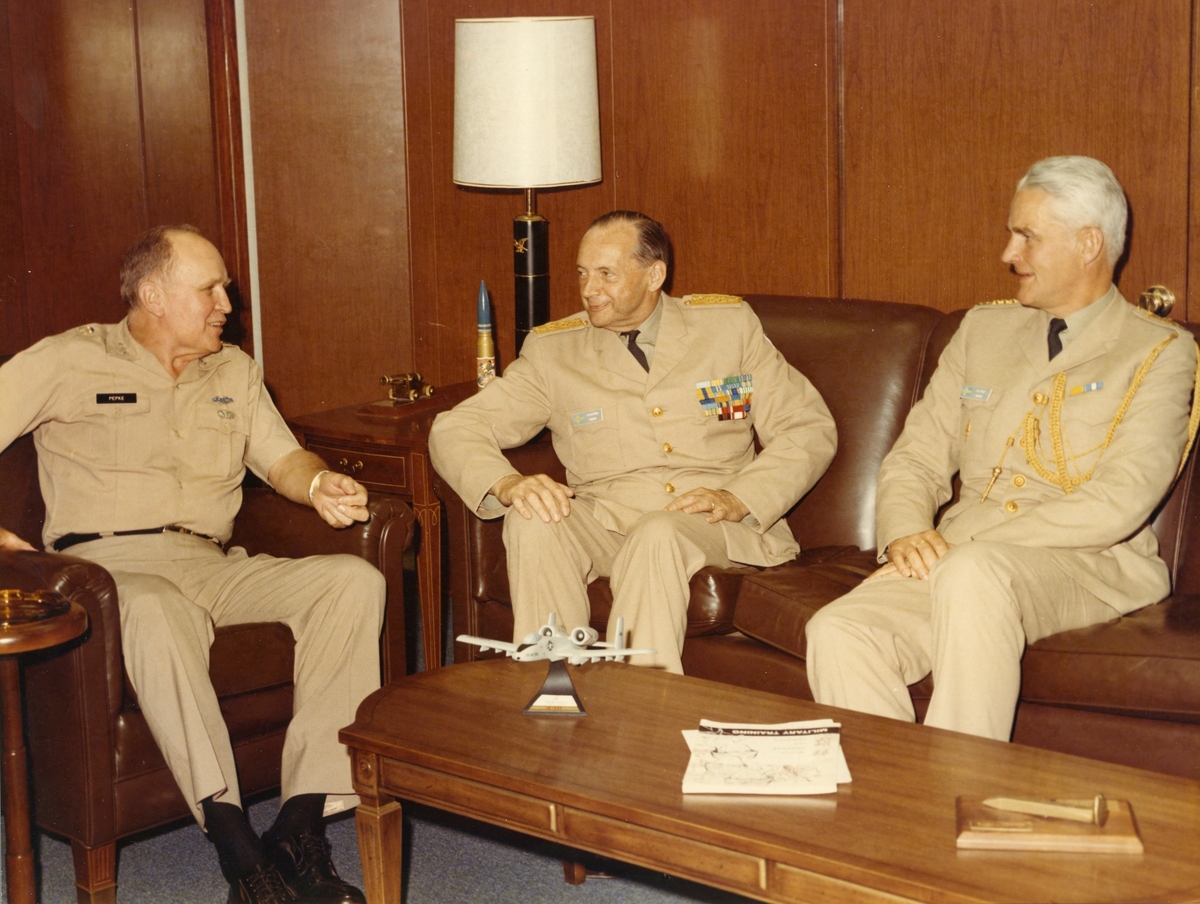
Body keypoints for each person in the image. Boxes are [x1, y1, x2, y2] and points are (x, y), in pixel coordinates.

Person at [0, 225, 379, 904]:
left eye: (225, 289)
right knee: (156, 606)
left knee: (353, 581)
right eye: (209, 289)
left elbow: (283, 459)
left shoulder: (234, 370)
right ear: (152, 295)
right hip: (107, 569)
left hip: (210, 560)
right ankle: (237, 846)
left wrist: (319, 482)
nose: (227, 304)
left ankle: (299, 825)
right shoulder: (69, 359)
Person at [805, 156, 1200, 741]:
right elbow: (917, 457)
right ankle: (897, 797)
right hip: (962, 560)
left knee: (972, 572)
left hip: (1087, 563)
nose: (1008, 254)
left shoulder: (1159, 350)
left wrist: (966, 546)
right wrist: (906, 532)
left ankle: (962, 782)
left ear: (1089, 244)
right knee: (841, 630)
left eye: (1027, 237)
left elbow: (1120, 500)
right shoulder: (982, 332)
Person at [429, 210, 837, 673]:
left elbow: (807, 427)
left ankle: (643, 705)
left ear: (654, 275)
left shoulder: (726, 327)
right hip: (608, 523)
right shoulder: (554, 352)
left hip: (715, 524)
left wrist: (739, 497)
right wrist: (507, 484)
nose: (589, 289)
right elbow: (456, 428)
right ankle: (553, 687)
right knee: (533, 520)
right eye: (582, 273)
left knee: (658, 533)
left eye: (606, 274)